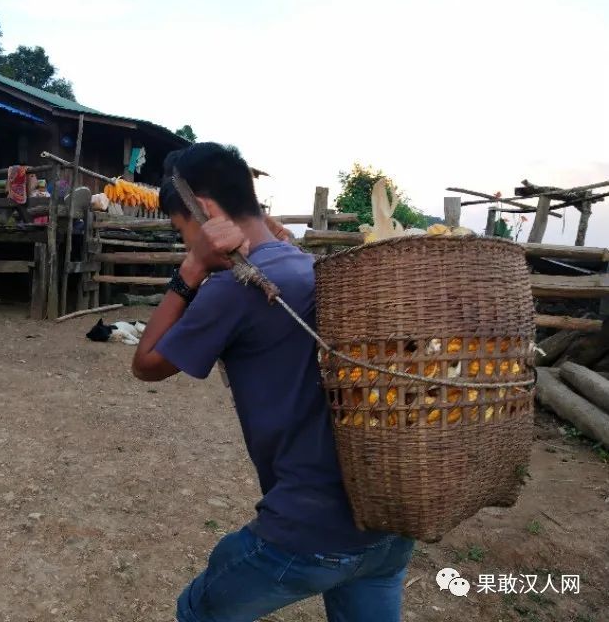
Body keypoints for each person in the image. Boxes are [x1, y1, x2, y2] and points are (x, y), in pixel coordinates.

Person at [131, 142, 413, 622]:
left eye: (185, 232)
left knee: (197, 611)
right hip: (390, 526)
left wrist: (192, 270)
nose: (187, 243)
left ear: (208, 212)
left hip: (308, 536)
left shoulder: (234, 289)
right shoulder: (308, 266)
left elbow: (147, 362)